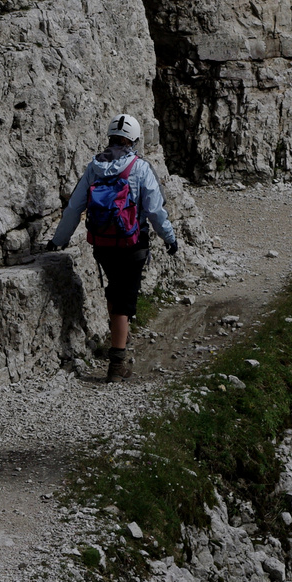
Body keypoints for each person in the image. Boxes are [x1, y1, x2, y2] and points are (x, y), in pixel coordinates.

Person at [46, 113, 178, 382]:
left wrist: (57, 240)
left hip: (102, 244)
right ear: (135, 140)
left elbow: (74, 208)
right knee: (124, 299)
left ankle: (121, 332)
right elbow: (155, 210)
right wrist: (170, 239)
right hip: (133, 244)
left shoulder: (94, 167)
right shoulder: (140, 168)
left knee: (114, 288)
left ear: (110, 137)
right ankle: (116, 366)